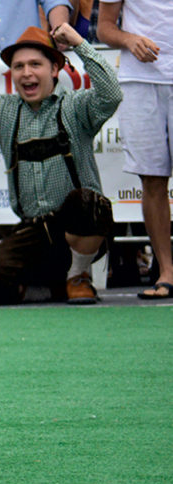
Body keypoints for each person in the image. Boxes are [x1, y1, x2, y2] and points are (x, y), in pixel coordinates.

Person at [0, 22, 122, 303]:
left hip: (78, 225)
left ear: (55, 70)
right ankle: (53, 288)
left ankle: (79, 276)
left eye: (36, 64)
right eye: (18, 66)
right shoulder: (2, 111)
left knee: (90, 204)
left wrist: (79, 43)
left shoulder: (76, 107)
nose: (26, 73)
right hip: (34, 229)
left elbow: (112, 94)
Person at [98, 0, 173, 300]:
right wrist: (129, 39)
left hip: (144, 80)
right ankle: (167, 272)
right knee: (152, 180)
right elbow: (104, 27)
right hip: (139, 80)